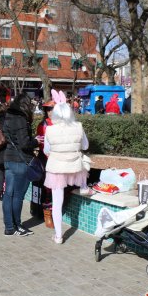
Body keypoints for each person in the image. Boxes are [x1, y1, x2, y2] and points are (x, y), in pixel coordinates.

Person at [44, 90, 90, 244]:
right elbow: (85, 145)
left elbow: (46, 150)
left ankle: (58, 236)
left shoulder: (50, 129)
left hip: (56, 168)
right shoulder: (78, 126)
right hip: (75, 166)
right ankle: (84, 186)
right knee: (83, 171)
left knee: (57, 203)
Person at [2, 93, 39, 236]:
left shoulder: (8, 117)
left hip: (9, 158)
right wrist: (36, 141)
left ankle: (9, 227)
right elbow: (24, 144)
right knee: (18, 196)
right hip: (20, 160)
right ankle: (17, 225)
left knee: (8, 194)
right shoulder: (21, 119)